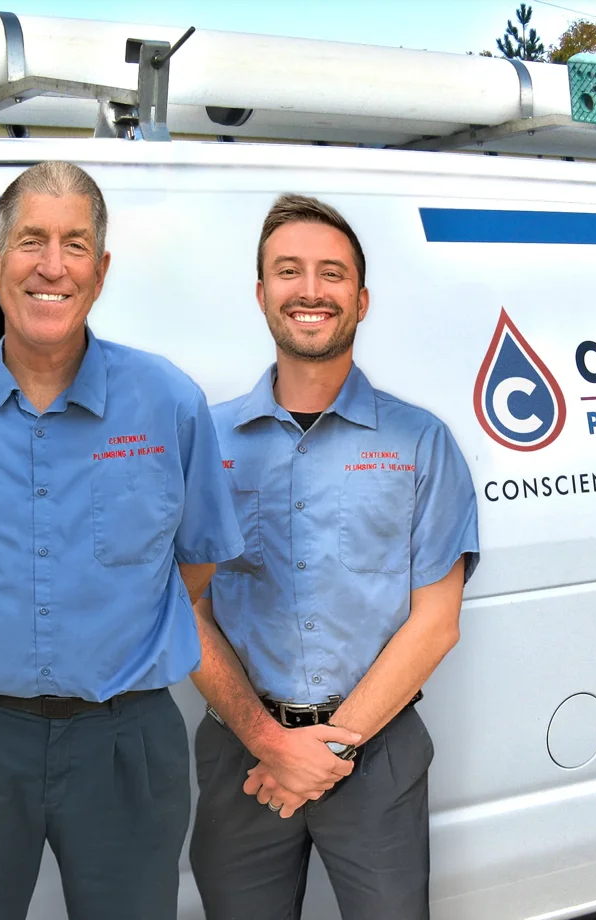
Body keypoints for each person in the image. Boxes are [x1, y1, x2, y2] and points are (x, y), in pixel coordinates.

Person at [0, 161, 242, 920]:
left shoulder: (169, 402)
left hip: (126, 740)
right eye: (32, 240)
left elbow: (197, 563)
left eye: (75, 245)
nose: (52, 265)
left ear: (100, 273)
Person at [189, 194, 480, 919]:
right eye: (289, 271)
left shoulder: (420, 443)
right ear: (262, 294)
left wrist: (329, 751)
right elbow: (181, 606)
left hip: (377, 753)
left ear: (362, 298)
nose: (311, 290)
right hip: (241, 755)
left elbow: (436, 621)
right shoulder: (206, 444)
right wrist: (269, 741)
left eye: (332, 273)